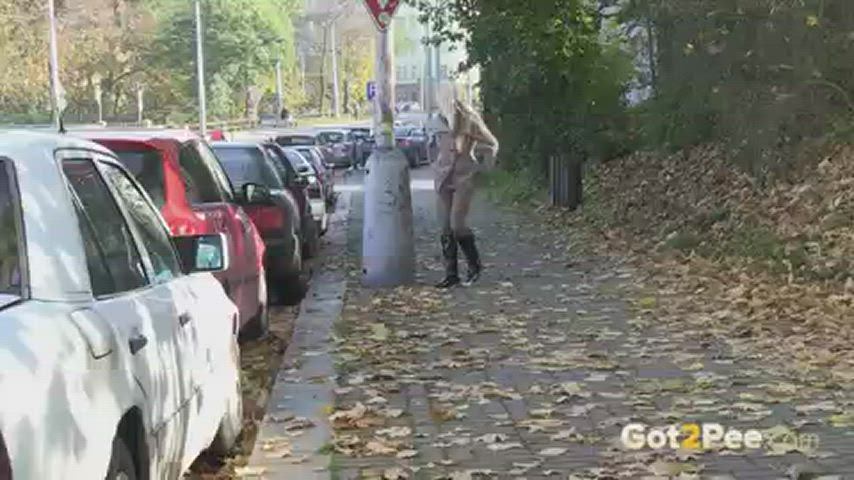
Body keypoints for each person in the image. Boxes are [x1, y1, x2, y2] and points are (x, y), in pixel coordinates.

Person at [433, 82, 499, 288]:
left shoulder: (469, 118)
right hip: (443, 179)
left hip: (463, 177)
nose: (442, 99)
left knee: (457, 224)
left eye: (446, 95)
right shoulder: (436, 120)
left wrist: (478, 163)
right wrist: (435, 165)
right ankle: (451, 273)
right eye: (439, 95)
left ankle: (474, 265)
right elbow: (432, 146)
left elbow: (491, 144)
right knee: (444, 227)